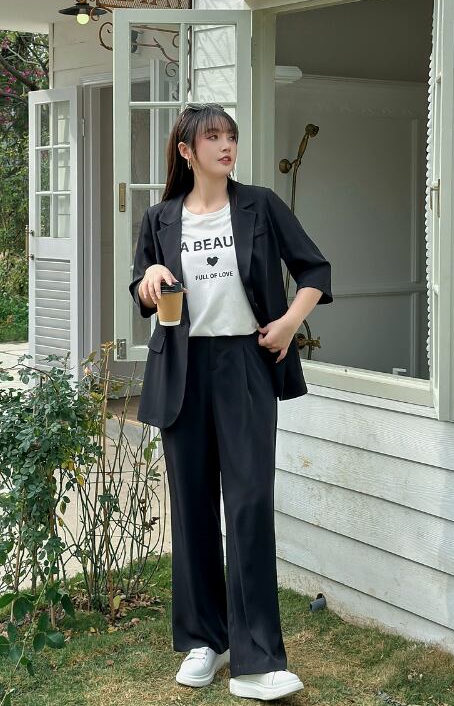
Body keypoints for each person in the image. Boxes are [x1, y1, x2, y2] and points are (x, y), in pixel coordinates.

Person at [129, 103, 333, 701]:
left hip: (245, 365)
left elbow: (314, 269)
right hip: (182, 370)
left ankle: (259, 659)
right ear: (186, 151)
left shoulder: (260, 205)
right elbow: (142, 289)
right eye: (213, 137)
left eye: (230, 136)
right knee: (192, 509)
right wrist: (149, 280)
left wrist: (288, 323)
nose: (225, 145)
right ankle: (206, 641)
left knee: (248, 507)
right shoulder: (161, 217)